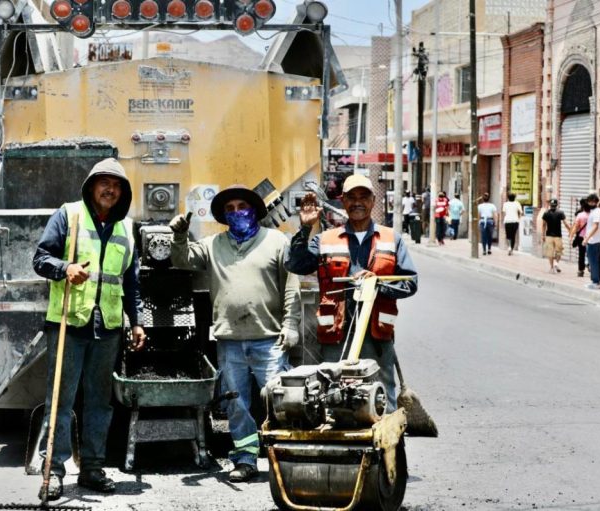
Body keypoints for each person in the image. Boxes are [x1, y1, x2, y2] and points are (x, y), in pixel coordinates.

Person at [169, 185, 301, 483]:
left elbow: (292, 286)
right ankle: (245, 458)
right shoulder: (213, 244)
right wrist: (178, 235)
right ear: (224, 217)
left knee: (279, 400)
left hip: (270, 338)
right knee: (237, 404)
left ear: (254, 210)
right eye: (230, 209)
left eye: (242, 206)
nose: (236, 212)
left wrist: (291, 325)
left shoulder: (278, 242)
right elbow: (182, 260)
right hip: (229, 341)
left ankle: (287, 456)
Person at [32, 158, 146, 500]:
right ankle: (53, 469)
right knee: (61, 401)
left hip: (107, 327)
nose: (110, 189)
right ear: (91, 186)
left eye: (116, 184)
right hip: (70, 322)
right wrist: (64, 268)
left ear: (122, 192)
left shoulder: (127, 228)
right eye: (103, 182)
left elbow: (131, 281)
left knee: (100, 402)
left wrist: (136, 322)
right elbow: (40, 258)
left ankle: (93, 468)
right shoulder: (69, 215)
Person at [285, 174, 418, 414]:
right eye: (351, 197)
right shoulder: (325, 239)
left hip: (377, 335)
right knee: (335, 394)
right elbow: (295, 264)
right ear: (343, 201)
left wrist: (376, 284)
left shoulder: (391, 239)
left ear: (373, 200)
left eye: (364, 197)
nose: (358, 202)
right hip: (336, 332)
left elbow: (409, 283)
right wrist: (305, 227)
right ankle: (345, 448)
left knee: (381, 393)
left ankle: (388, 448)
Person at [541, 198, 570, 274]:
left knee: (550, 253)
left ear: (550, 205)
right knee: (559, 252)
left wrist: (543, 235)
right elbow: (565, 223)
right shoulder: (560, 213)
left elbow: (543, 225)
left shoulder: (546, 213)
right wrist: (570, 230)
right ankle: (556, 263)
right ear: (557, 205)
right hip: (558, 236)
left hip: (549, 236)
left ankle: (551, 267)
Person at [582, 193, 600, 289]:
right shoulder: (594, 211)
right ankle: (594, 281)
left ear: (593, 201)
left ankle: (596, 282)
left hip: (593, 241)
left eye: (589, 201)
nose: (588, 203)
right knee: (592, 261)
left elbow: (595, 226)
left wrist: (586, 238)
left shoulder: (596, 212)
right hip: (592, 241)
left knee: (593, 262)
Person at [568, 199, 589, 277]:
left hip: (581, 237)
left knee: (581, 254)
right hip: (591, 237)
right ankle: (590, 266)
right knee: (591, 253)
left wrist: (571, 236)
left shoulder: (579, 215)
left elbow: (575, 227)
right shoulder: (594, 215)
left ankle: (581, 271)